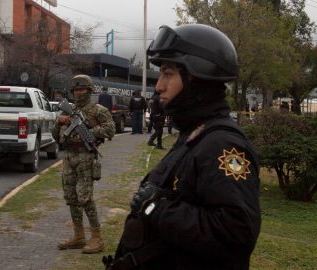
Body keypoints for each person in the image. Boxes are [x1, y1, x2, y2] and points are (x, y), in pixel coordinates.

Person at [104, 24, 261, 270]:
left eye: (168, 73)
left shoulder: (221, 144)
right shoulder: (195, 133)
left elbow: (236, 234)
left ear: (197, 77)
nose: (158, 86)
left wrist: (156, 208)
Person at [53, 74, 115, 254]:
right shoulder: (68, 109)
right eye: (76, 90)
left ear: (89, 91)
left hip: (86, 158)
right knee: (71, 198)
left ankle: (97, 238)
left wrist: (89, 131)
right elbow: (56, 135)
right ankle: (78, 236)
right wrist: (60, 122)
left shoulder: (98, 110)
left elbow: (110, 129)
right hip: (69, 157)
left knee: (85, 198)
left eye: (82, 89)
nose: (79, 93)